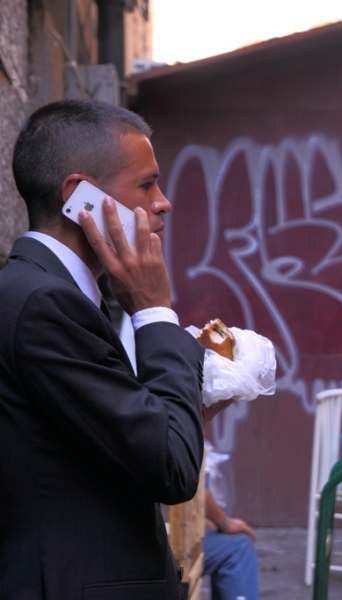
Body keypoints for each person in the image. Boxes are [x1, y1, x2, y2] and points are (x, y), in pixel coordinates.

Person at [0, 99, 206, 599]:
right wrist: (154, 310)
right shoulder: (46, 304)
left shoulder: (46, 293)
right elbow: (171, 468)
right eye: (145, 183)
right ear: (80, 198)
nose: (163, 202)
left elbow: (108, 440)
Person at [204, 486, 259, 600]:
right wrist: (224, 523)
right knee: (240, 547)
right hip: (163, 557)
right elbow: (191, 490)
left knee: (224, 540)